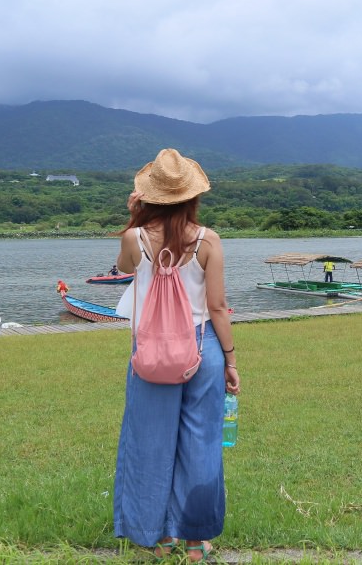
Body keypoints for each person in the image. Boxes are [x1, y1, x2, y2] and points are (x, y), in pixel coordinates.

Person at [113, 148, 240, 562]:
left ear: (148, 197)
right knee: (200, 444)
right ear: (192, 197)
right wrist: (231, 360)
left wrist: (134, 219)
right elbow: (218, 307)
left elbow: (123, 268)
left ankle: (157, 535)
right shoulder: (208, 240)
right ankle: (194, 541)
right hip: (202, 346)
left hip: (151, 350)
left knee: (149, 442)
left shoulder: (135, 238)